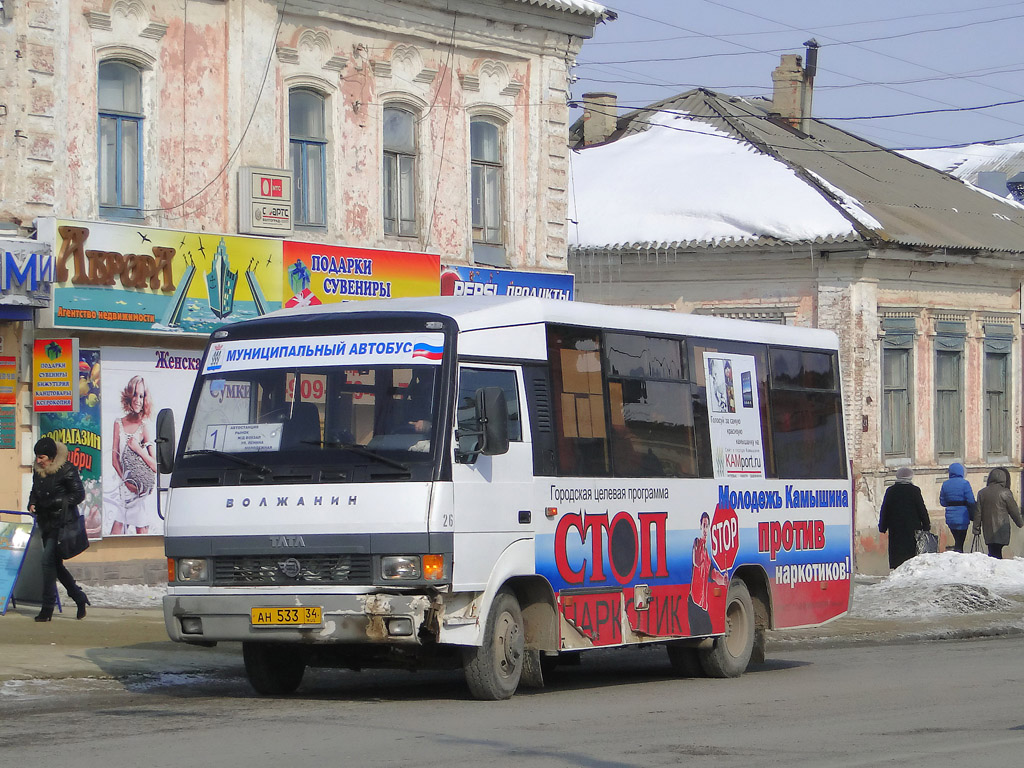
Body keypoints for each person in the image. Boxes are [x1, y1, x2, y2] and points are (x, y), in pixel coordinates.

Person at [27, 438, 90, 621]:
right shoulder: (38, 471)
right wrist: (32, 503)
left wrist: (58, 502)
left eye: (42, 457)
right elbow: (34, 491)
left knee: (47, 562)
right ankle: (79, 597)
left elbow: (78, 494)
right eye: (37, 457)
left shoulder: (67, 469)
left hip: (62, 524)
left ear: (52, 457)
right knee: (56, 566)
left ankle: (47, 608)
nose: (39, 461)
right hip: (46, 523)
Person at [110, 375, 157, 535]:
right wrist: (126, 481)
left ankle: (147, 558)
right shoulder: (118, 423)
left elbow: (155, 466)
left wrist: (138, 449)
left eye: (142, 396)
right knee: (118, 527)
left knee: (140, 527)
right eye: (135, 394)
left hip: (139, 490)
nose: (138, 399)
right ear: (129, 395)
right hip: (124, 487)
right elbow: (114, 460)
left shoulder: (144, 427)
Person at [877, 466, 931, 570]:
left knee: (897, 549)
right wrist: (926, 525)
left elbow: (885, 509)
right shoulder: (914, 490)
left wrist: (882, 526)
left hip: (895, 527)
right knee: (911, 550)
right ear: (910, 477)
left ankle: (897, 568)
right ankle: (910, 570)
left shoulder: (891, 490)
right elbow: (921, 508)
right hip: (913, 526)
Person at [688, 511, 728, 635]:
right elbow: (697, 561)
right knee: (704, 631)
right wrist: (701, 544)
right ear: (700, 527)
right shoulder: (697, 544)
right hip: (694, 603)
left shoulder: (707, 554)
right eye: (704, 525)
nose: (705, 529)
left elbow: (713, 574)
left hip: (702, 606)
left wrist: (723, 580)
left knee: (707, 631)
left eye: (707, 526)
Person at [973, 467, 1022, 559]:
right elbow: (1014, 510)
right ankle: (996, 570)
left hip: (988, 528)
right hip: (1001, 527)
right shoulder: (1006, 492)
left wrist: (976, 529)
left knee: (992, 550)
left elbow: (978, 513)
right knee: (998, 551)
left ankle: (993, 569)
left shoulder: (982, 493)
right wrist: (1020, 523)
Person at [939, 462, 976, 553]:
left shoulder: (945, 484)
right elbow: (971, 500)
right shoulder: (965, 483)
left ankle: (957, 555)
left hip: (950, 517)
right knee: (960, 542)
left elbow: (942, 502)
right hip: (963, 516)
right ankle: (959, 557)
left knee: (957, 540)